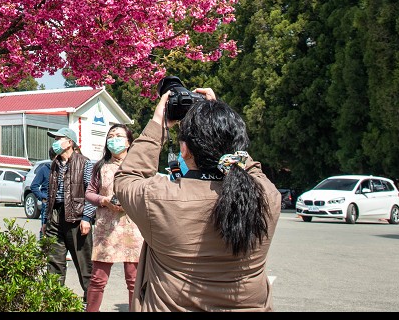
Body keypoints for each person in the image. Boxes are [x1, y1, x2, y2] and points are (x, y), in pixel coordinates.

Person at [114, 86, 280, 311]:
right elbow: (247, 165)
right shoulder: (267, 196)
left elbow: (127, 176)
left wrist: (157, 125)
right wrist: (218, 116)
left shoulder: (159, 198)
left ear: (185, 150)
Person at [84, 124, 144, 312]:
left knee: (134, 279)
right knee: (98, 278)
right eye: (111, 136)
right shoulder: (100, 167)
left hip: (132, 226)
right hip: (106, 227)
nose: (114, 139)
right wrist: (104, 200)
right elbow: (89, 193)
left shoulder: (138, 166)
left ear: (129, 142)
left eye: (118, 136)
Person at [43, 127, 95, 296]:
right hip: (55, 216)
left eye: (59, 139)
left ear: (70, 142)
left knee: (84, 263)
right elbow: (50, 194)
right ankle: (54, 299)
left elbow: (91, 192)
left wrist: (87, 217)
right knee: (54, 261)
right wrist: (45, 220)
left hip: (77, 217)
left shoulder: (85, 163)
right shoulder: (54, 164)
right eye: (55, 139)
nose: (55, 142)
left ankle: (90, 301)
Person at [31, 147, 58, 236]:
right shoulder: (44, 169)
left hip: (59, 205)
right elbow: (34, 186)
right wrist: (43, 197)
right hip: (47, 205)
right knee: (45, 230)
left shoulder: (63, 170)